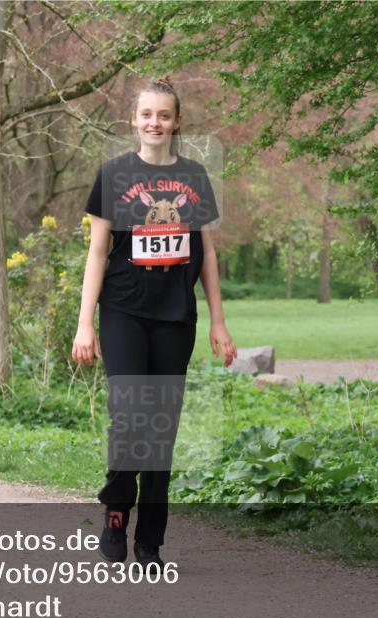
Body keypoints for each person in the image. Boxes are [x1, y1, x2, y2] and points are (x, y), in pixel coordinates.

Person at [72, 78, 237, 571]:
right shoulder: (115, 174)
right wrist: (86, 324)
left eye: (164, 115)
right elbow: (97, 252)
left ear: (176, 122)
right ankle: (116, 513)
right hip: (123, 311)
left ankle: (151, 540)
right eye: (147, 115)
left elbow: (206, 252)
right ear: (134, 121)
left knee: (160, 427)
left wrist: (218, 322)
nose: (155, 123)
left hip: (174, 316)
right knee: (129, 418)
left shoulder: (195, 176)